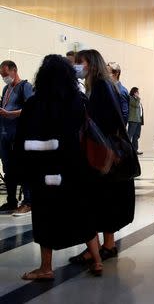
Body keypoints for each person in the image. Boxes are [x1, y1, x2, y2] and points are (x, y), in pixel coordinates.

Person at [14, 55, 103, 279]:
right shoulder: (78, 101)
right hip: (75, 169)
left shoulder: (34, 103)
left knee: (45, 217)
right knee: (83, 213)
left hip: (45, 172)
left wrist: (22, 170)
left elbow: (22, 139)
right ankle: (97, 260)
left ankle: (46, 268)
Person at [69, 50, 135, 266]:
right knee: (106, 200)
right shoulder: (100, 85)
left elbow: (102, 121)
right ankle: (105, 246)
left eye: (81, 62)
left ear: (92, 64)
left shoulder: (100, 87)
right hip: (106, 152)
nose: (77, 66)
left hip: (102, 153)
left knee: (101, 200)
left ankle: (102, 247)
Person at [0, 60, 35, 216]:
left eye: (6, 74)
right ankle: (11, 201)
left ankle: (28, 202)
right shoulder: (6, 89)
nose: (4, 78)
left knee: (24, 169)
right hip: (5, 135)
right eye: (2, 75)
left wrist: (10, 114)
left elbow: (31, 109)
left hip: (19, 135)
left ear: (14, 70)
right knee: (8, 170)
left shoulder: (25, 87)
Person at [127, 87, 144, 156]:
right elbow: (136, 105)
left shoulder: (136, 99)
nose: (138, 93)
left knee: (136, 136)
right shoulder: (130, 98)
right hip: (133, 120)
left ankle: (135, 150)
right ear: (134, 92)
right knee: (129, 135)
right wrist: (138, 98)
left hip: (138, 120)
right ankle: (127, 150)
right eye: (137, 92)